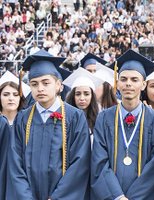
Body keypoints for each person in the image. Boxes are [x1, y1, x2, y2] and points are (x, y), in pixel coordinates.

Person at [7, 50, 91, 199]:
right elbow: (15, 164)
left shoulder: (75, 117)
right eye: (34, 84)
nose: (40, 88)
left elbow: (79, 164)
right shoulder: (22, 119)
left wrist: (57, 197)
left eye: (46, 83)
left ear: (58, 85)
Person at [91, 50, 154, 200]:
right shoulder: (104, 118)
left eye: (134, 79)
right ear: (117, 83)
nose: (128, 83)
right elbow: (99, 161)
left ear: (144, 84)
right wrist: (118, 196)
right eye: (124, 79)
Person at [64, 68, 103, 132]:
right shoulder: (65, 118)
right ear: (73, 96)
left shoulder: (100, 119)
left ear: (92, 96)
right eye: (78, 94)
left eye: (86, 94)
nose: (82, 98)